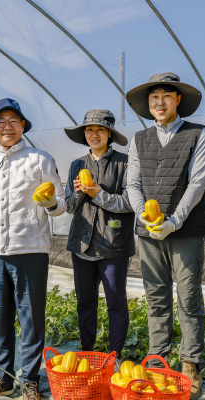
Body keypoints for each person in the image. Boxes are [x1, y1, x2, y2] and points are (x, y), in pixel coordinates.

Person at [0, 98, 66, 400]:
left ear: (22, 127)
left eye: (14, 122)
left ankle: (30, 380)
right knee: (0, 316)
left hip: (30, 249)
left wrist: (49, 203)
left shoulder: (39, 159)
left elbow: (60, 204)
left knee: (31, 318)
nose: (7, 128)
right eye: (1, 123)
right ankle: (3, 376)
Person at [125, 73, 205, 399]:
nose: (159, 103)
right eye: (153, 98)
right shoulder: (139, 138)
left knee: (189, 297)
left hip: (185, 231)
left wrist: (174, 220)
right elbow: (132, 185)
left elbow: (198, 183)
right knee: (156, 298)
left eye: (166, 96)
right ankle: (158, 359)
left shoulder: (197, 134)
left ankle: (190, 362)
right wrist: (144, 217)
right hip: (148, 233)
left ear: (178, 101)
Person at [64, 109, 135, 370]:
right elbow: (70, 207)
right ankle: (86, 353)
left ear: (109, 134)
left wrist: (98, 193)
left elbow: (130, 202)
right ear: (84, 135)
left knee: (116, 301)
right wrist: (81, 193)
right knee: (85, 301)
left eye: (100, 130)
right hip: (81, 242)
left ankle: (114, 357)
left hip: (114, 242)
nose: (94, 134)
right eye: (89, 130)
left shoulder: (125, 163)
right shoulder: (76, 164)